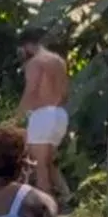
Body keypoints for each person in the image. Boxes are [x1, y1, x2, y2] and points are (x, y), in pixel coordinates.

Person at [13, 28, 71, 200]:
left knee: (39, 164)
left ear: (27, 47)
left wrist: (16, 117)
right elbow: (66, 92)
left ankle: (45, 206)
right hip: (60, 114)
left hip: (43, 114)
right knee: (48, 161)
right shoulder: (58, 61)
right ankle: (67, 196)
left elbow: (31, 91)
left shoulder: (35, 63)